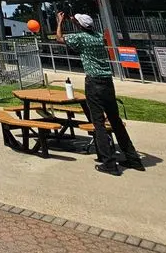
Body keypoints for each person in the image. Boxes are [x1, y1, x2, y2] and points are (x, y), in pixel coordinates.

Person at [56, 11, 144, 175]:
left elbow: (59, 38)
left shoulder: (81, 38)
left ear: (80, 25)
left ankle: (109, 163)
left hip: (94, 83)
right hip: (107, 82)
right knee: (115, 120)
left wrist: (60, 22)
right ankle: (134, 159)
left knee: (98, 123)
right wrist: (74, 20)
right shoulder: (97, 36)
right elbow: (83, 27)